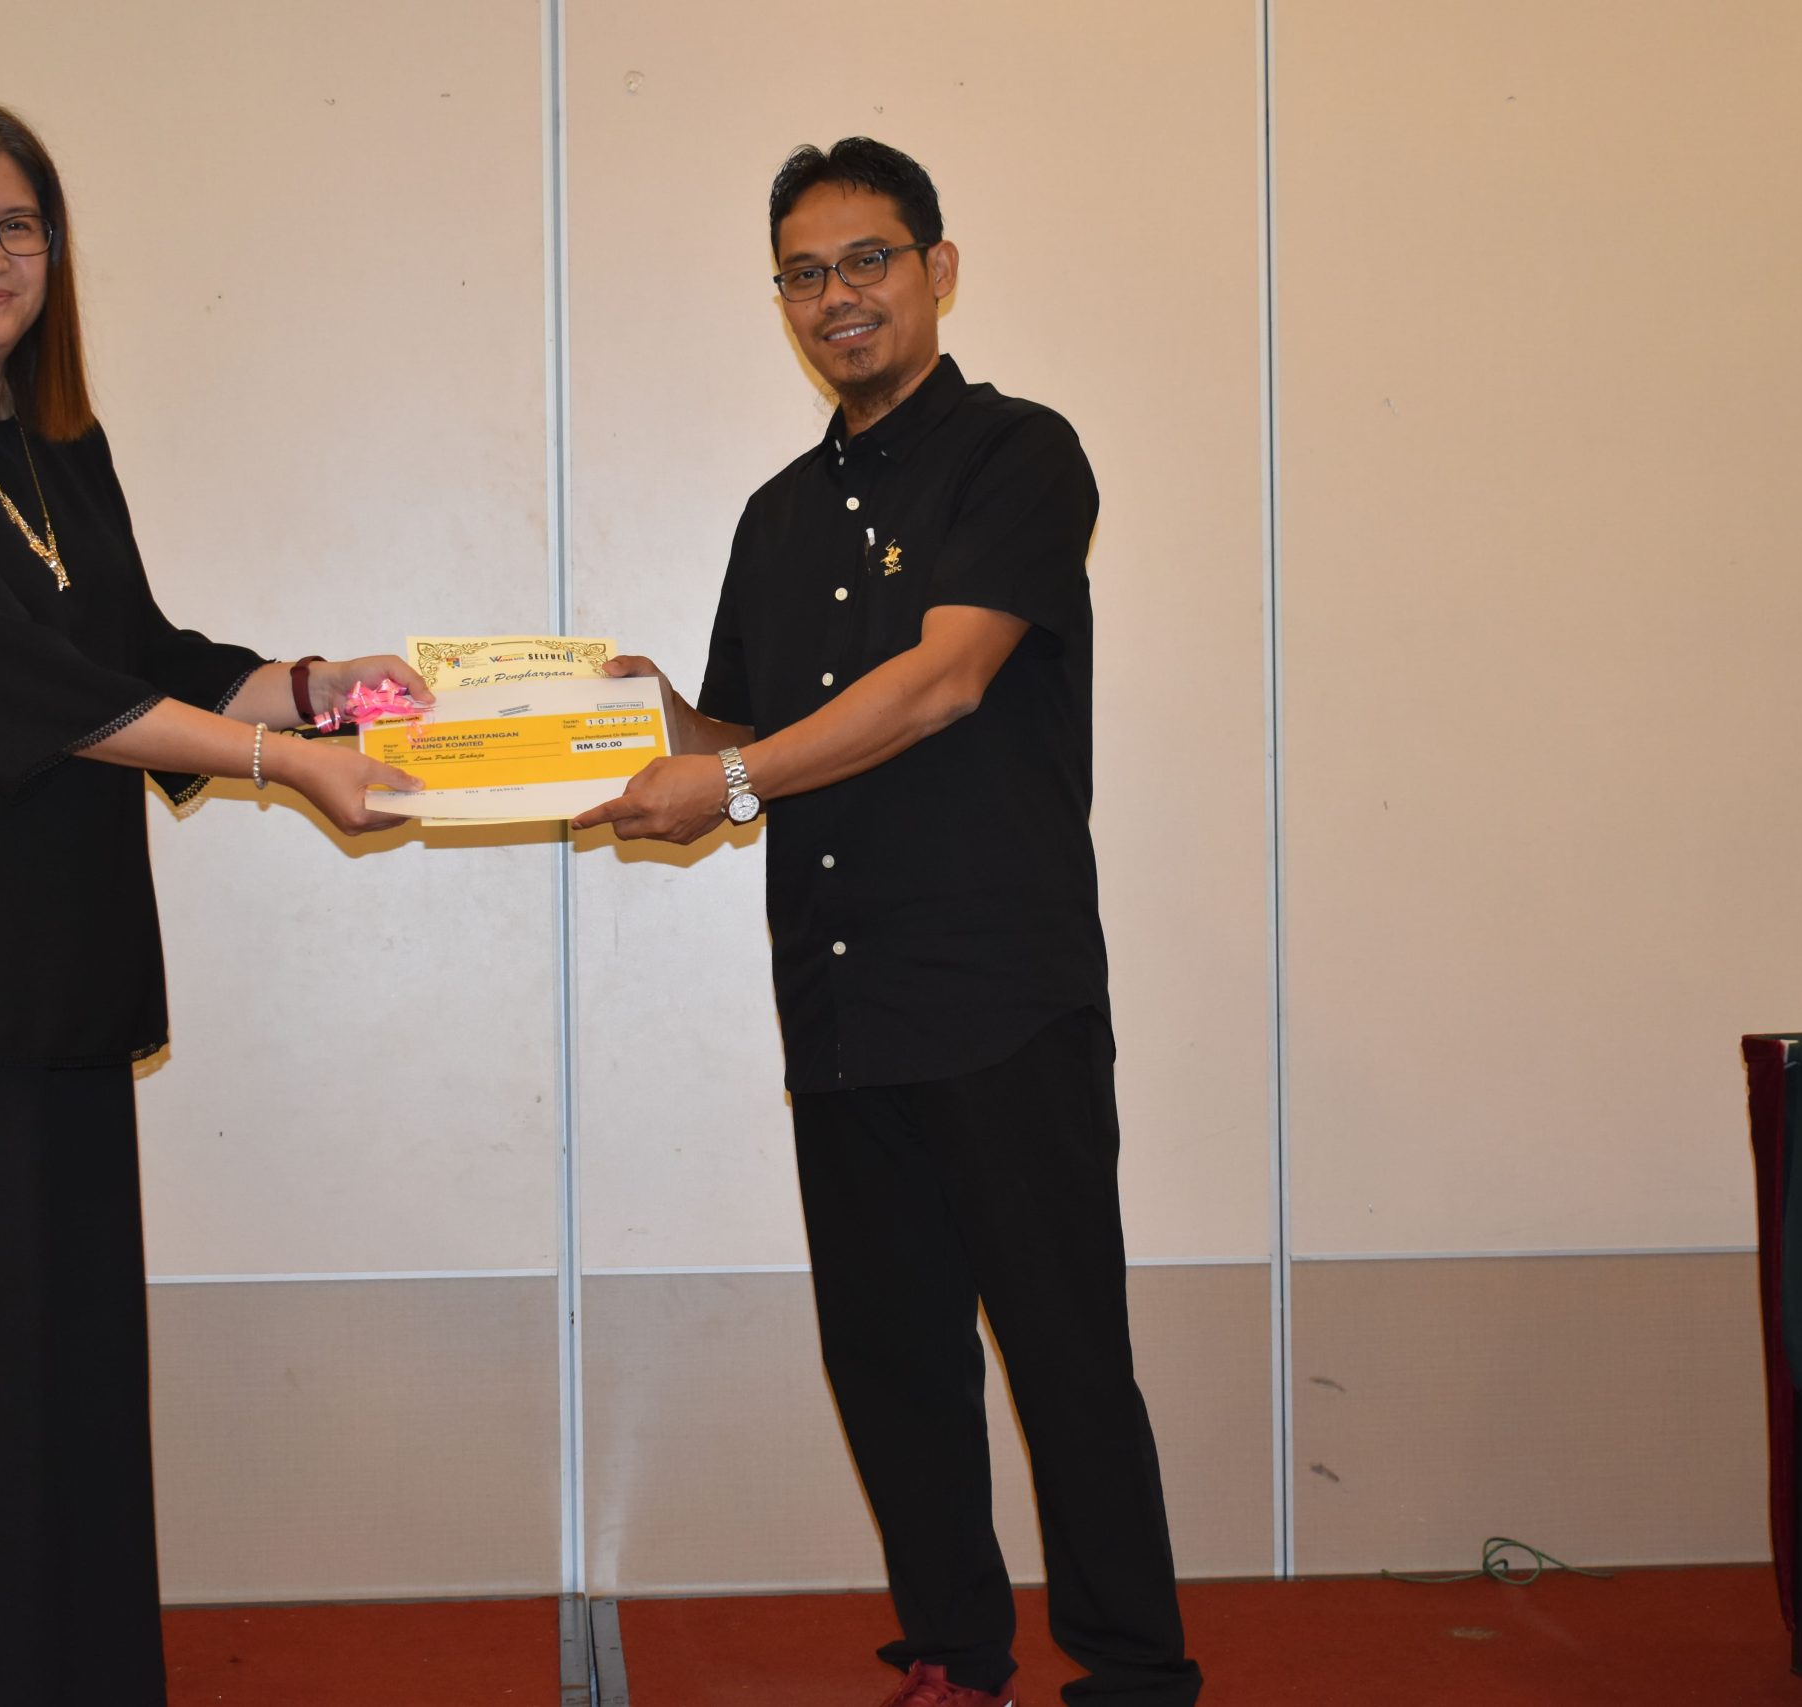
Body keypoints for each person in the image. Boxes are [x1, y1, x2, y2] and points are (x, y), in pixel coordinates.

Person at [0, 97, 425, 1705]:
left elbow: (140, 659)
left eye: (18, 226)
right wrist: (286, 768)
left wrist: (330, 690)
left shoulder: (61, 452)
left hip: (55, 998)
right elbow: (36, 692)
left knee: (61, 1412)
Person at [574, 139, 1203, 1707]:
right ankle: (955, 1656)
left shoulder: (1019, 455)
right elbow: (749, 732)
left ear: (939, 270)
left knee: (1063, 1350)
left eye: (867, 259)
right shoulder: (777, 516)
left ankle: (1133, 1672)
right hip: (841, 999)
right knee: (892, 1356)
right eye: (803, 272)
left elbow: (944, 681)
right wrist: (633, 720)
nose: (836, 296)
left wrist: (727, 783)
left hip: (1003, 991)